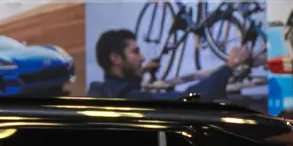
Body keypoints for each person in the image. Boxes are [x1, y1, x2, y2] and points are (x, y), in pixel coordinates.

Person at [88, 29, 250, 102]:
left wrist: (139, 73)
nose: (142, 58)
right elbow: (187, 99)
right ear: (115, 58)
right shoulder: (132, 98)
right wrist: (230, 65)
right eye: (135, 52)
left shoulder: (102, 91)